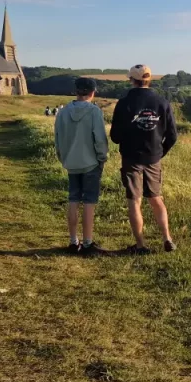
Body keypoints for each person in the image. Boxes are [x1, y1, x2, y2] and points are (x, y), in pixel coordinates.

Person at [110, 64, 178, 253]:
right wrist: (159, 153)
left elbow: (115, 136)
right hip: (154, 158)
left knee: (134, 201)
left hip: (131, 157)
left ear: (131, 79)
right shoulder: (162, 102)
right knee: (156, 199)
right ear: (149, 79)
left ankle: (140, 245)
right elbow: (172, 136)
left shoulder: (124, 103)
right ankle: (167, 239)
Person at [54, 78, 110, 257]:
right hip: (91, 162)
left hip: (71, 162)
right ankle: (87, 243)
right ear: (93, 92)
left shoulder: (62, 112)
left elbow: (57, 138)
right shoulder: (94, 112)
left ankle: (73, 241)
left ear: (75, 91)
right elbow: (100, 139)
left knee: (73, 199)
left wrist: (63, 158)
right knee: (89, 202)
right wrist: (102, 158)